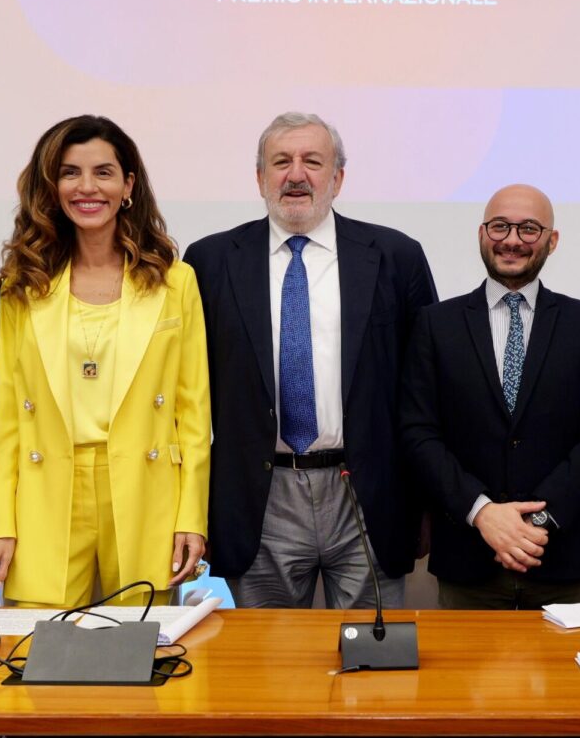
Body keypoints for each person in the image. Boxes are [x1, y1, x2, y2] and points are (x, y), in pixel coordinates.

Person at [183, 112, 437, 608]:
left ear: (337, 178)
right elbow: (187, 390)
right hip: (260, 497)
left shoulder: (396, 256)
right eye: (281, 162)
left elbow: (426, 387)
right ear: (260, 178)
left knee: (371, 648)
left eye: (312, 162)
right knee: (271, 654)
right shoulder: (210, 262)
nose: (296, 175)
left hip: (366, 493)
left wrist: (427, 503)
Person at [0, 115, 210, 609]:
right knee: (36, 644)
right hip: (45, 491)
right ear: (52, 188)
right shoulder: (23, 284)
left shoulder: (175, 281)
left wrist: (190, 518)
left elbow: (193, 415)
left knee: (141, 644)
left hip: (146, 491)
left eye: (103, 172)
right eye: (70, 173)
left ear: (128, 186)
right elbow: (5, 419)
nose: (87, 187)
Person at [399, 185, 580, 609]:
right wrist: (483, 512)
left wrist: (536, 522)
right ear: (482, 233)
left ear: (552, 241)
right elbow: (417, 433)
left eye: (529, 229)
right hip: (467, 558)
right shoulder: (435, 324)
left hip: (558, 558)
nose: (512, 240)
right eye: (500, 226)